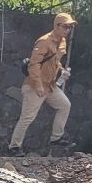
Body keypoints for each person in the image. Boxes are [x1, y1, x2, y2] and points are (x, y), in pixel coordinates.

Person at [9, 12, 76, 157]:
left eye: (70, 27)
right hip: (35, 85)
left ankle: (56, 137)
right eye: (65, 27)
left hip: (50, 85)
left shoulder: (62, 42)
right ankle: (14, 147)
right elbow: (34, 65)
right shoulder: (44, 41)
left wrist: (62, 72)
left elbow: (55, 62)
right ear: (57, 26)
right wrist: (38, 86)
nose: (68, 30)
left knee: (65, 105)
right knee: (27, 117)